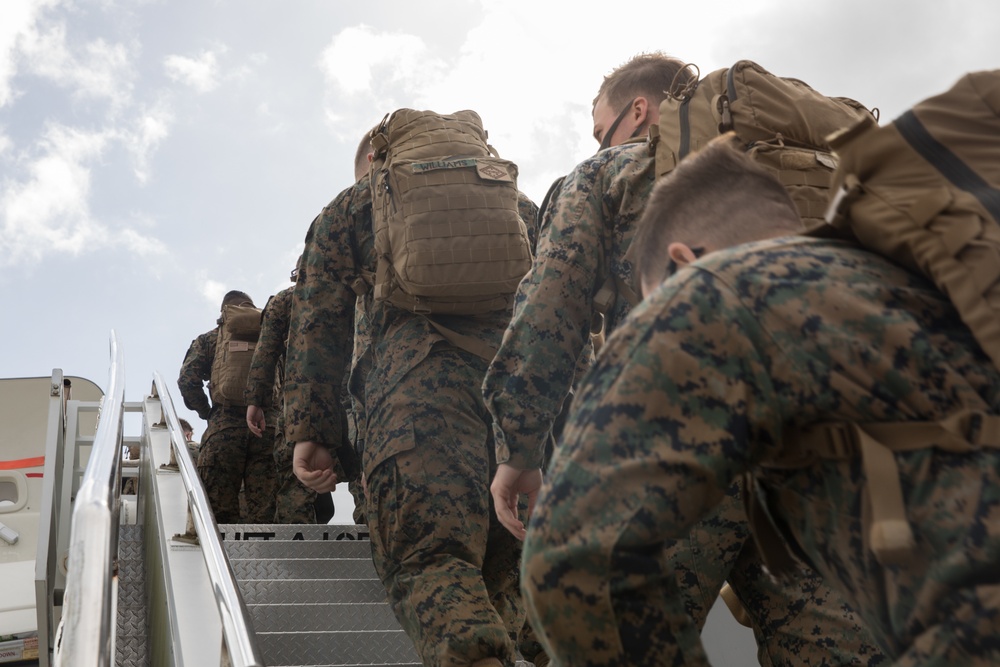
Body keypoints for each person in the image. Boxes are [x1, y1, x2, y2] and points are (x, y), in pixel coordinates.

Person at [520, 135, 1000, 665]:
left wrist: (517, 445)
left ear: (683, 261)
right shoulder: (914, 298)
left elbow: (576, 560)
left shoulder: (709, 289)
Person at [485, 53, 885, 665]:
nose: (597, 141)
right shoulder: (812, 177)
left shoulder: (608, 174)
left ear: (638, 110)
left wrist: (519, 448)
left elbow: (547, 315)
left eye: (601, 128)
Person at [284, 122, 540, 667]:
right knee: (503, 572)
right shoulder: (517, 202)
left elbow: (316, 327)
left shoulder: (352, 205)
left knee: (430, 563)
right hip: (523, 411)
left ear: (376, 159)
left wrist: (313, 432)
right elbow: (563, 309)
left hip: (418, 399)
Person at [245, 263, 334, 524]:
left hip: (299, 402)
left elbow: (265, 355)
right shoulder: (348, 294)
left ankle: (295, 560)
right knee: (367, 477)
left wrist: (255, 401)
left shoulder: (284, 300)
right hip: (350, 401)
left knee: (295, 482)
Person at [178, 290, 277, 523]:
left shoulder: (210, 339)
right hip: (268, 428)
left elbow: (187, 380)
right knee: (266, 511)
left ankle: (221, 558)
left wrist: (207, 413)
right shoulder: (271, 339)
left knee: (218, 511)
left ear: (225, 312)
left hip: (224, 428)